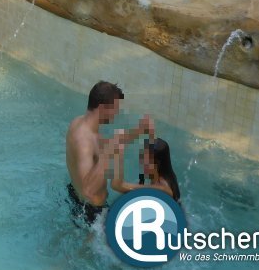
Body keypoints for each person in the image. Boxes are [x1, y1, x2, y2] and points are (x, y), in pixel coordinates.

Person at [65, 81, 153, 226]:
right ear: (102, 108)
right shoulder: (85, 143)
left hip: (75, 196)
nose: (116, 113)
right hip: (92, 213)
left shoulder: (78, 123)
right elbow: (88, 191)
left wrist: (139, 131)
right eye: (115, 108)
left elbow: (103, 144)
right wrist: (107, 155)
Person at [112, 137, 181, 202]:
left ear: (157, 163)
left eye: (145, 159)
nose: (141, 161)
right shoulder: (163, 175)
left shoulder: (162, 189)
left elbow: (117, 185)